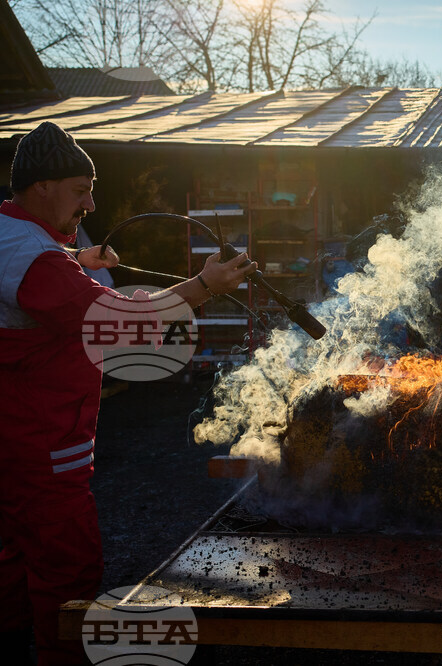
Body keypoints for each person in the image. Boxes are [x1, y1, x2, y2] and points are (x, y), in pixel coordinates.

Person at [0, 121, 257, 664]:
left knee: (11, 567)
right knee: (66, 575)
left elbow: (38, 290)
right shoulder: (36, 257)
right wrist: (205, 285)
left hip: (17, 444)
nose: (91, 204)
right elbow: (119, 324)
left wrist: (79, 263)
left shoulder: (23, 241)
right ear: (41, 186)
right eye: (80, 190)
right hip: (38, 449)